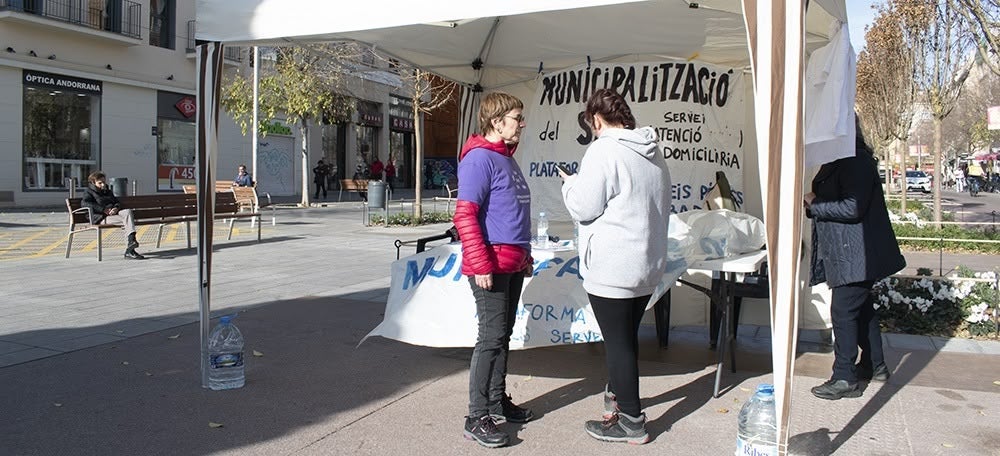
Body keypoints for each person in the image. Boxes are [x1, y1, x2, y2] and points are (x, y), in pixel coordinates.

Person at [559, 88, 671, 445]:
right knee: (625, 339)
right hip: (646, 264)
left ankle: (632, 422)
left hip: (614, 265)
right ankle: (619, 402)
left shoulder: (604, 149)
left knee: (619, 344)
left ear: (595, 118)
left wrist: (570, 185)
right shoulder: (653, 152)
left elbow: (584, 207)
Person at [453, 92, 534, 448]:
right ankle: (476, 416)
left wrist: (525, 256)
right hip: (491, 263)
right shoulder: (479, 159)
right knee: (490, 337)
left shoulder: (505, 158)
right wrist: (480, 262)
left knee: (503, 335)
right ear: (496, 121)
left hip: (511, 262)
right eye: (516, 117)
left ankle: (497, 402)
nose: (521, 124)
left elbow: (512, 213)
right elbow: (465, 215)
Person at [804, 114, 905, 401]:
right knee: (861, 311)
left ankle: (844, 377)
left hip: (856, 254)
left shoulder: (855, 160)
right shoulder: (843, 159)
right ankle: (875, 365)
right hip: (851, 252)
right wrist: (815, 205)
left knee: (844, 312)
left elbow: (853, 207)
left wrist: (815, 203)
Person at [82, 171, 145, 260]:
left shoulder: (107, 191)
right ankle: (130, 249)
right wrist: (103, 210)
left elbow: (116, 202)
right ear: (93, 182)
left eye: (104, 182)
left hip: (113, 214)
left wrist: (115, 208)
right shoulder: (88, 192)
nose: (103, 184)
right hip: (101, 217)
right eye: (100, 183)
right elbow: (85, 203)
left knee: (127, 212)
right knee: (126, 222)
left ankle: (131, 242)